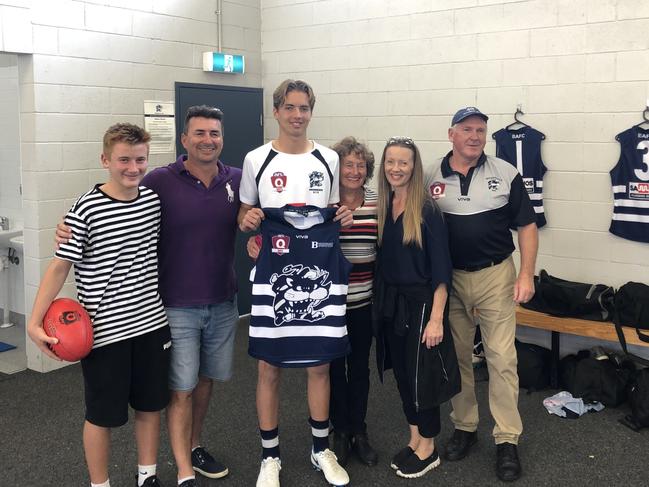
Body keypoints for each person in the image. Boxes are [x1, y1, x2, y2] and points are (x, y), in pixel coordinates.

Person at [58, 106, 241, 487]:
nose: (208, 140)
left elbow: (261, 213)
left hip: (221, 302)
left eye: (215, 133)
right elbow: (115, 197)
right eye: (200, 133)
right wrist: (67, 227)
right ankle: (181, 470)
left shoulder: (238, 179)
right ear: (184, 139)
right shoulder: (160, 181)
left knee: (204, 382)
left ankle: (192, 448)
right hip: (173, 306)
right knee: (179, 389)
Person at [28, 123, 170, 487]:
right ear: (105, 159)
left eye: (140, 160)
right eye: (124, 159)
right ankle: (99, 484)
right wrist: (34, 321)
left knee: (151, 406)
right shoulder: (86, 208)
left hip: (152, 326)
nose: (133, 168)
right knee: (101, 416)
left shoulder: (152, 202)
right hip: (105, 334)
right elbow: (61, 266)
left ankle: (147, 476)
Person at [238, 79, 353, 487]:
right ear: (276, 111)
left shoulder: (328, 159)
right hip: (274, 277)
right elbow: (246, 213)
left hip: (317, 273)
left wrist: (342, 217)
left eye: (304, 108)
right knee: (269, 368)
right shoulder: (256, 159)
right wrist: (248, 222)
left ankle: (321, 448)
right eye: (289, 107)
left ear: (311, 112)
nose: (297, 115)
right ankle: (270, 456)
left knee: (319, 366)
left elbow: (335, 210)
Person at [425, 107, 538, 482]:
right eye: (467, 129)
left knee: (502, 358)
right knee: (457, 358)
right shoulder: (429, 177)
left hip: (496, 276)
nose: (475, 136)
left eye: (480, 130)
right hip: (449, 281)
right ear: (451, 134)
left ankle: (507, 439)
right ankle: (465, 427)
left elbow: (527, 226)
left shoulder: (505, 173)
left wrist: (525, 274)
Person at [373, 136, 460, 479]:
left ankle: (430, 448)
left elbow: (442, 272)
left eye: (403, 162)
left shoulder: (427, 210)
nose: (396, 168)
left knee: (421, 379)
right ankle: (414, 441)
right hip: (393, 304)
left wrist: (436, 319)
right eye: (390, 162)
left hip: (423, 304)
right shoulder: (385, 203)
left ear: (414, 166)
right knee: (403, 377)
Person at [328, 137, 379, 467]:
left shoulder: (377, 202)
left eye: (361, 166)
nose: (355, 171)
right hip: (330, 306)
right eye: (348, 164)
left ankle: (359, 430)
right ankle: (339, 430)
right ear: (338, 168)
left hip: (364, 302)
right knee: (333, 371)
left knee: (360, 369)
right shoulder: (325, 203)